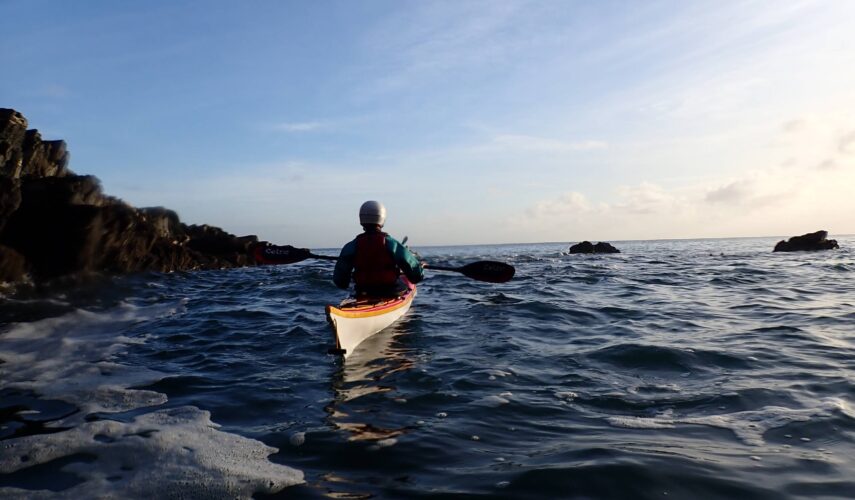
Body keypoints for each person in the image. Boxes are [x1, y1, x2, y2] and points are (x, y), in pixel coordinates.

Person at [333, 200, 424, 296]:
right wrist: (420, 269)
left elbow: (340, 281)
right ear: (382, 218)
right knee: (405, 286)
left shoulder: (351, 246)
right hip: (389, 290)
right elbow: (415, 274)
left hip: (362, 290)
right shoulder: (391, 243)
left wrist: (344, 283)